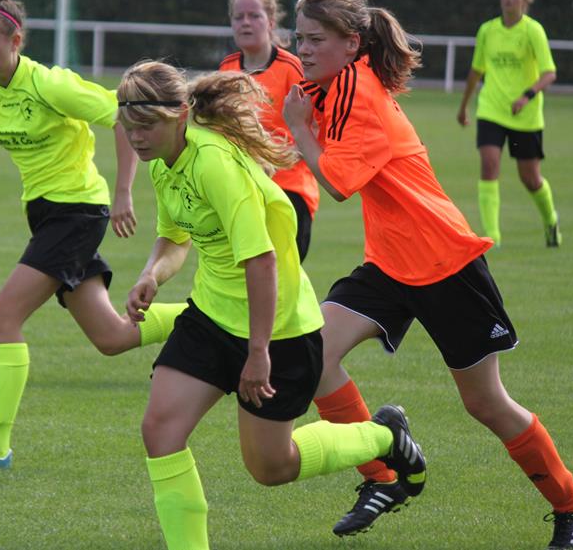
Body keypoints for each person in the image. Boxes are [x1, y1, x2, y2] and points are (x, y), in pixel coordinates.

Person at [283, 0, 573, 548]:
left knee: (485, 403)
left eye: (315, 39)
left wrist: (299, 131)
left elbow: (335, 182)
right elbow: (286, 109)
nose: (303, 50)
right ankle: (386, 473)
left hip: (444, 261)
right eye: (299, 38)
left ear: (352, 43)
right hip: (389, 264)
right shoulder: (333, 82)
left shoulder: (358, 90)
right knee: (313, 355)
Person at [118, 60, 426, 550]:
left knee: (270, 467)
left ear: (180, 115)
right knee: (160, 431)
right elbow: (174, 237)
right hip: (212, 317)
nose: (137, 138)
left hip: (278, 329)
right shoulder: (163, 160)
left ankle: (385, 436)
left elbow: (261, 261)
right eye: (129, 127)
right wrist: (150, 275)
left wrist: (258, 352)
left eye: (147, 126)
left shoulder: (214, 163)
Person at [0, 0, 183, 470]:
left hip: (77, 212)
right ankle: (208, 316)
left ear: (16, 41)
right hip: (45, 215)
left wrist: (122, 193)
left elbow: (123, 113)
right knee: (112, 338)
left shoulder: (49, 84)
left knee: (3, 317)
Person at [220, 0, 318, 260]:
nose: (245, 23)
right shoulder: (227, 69)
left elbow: (316, 129)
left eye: (254, 16)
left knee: (282, 280)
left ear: (271, 22)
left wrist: (273, 158)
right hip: (243, 191)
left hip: (289, 190)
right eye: (239, 17)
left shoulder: (292, 68)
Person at [456, 0, 560, 248]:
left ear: (525, 0)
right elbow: (476, 71)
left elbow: (549, 73)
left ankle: (550, 219)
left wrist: (527, 95)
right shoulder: (487, 30)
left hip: (525, 116)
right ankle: (493, 238)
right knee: (489, 165)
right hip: (491, 109)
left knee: (530, 178)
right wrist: (464, 105)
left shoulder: (533, 31)